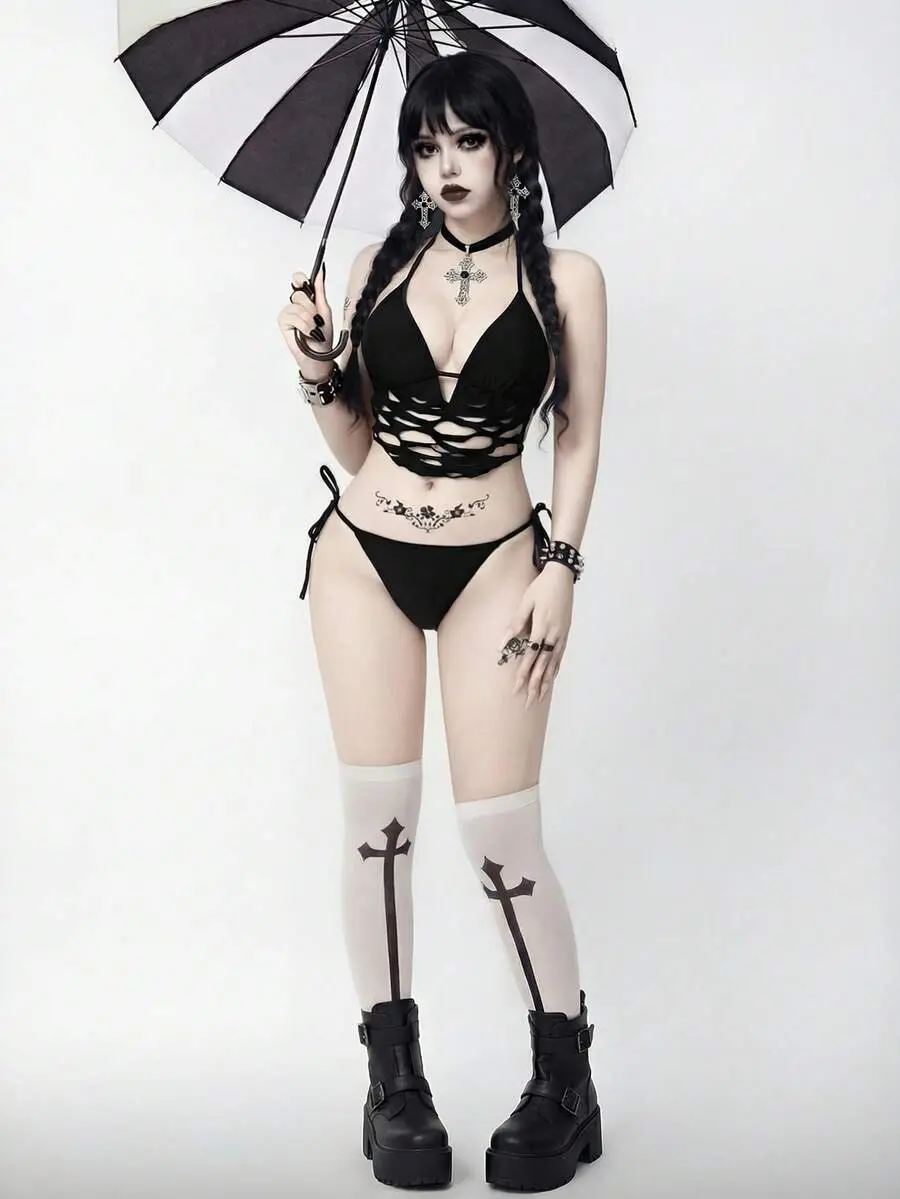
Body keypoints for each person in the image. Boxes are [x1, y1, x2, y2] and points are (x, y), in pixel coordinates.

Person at [276, 51, 607, 1193]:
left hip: (499, 562)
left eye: (468, 140)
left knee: (501, 829)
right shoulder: (379, 262)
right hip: (362, 558)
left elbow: (578, 431)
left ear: (512, 146)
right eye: (426, 145)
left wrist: (562, 565)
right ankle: (394, 1085)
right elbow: (358, 439)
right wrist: (316, 366)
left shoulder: (568, 277)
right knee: (378, 824)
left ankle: (565, 1078)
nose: (446, 165)